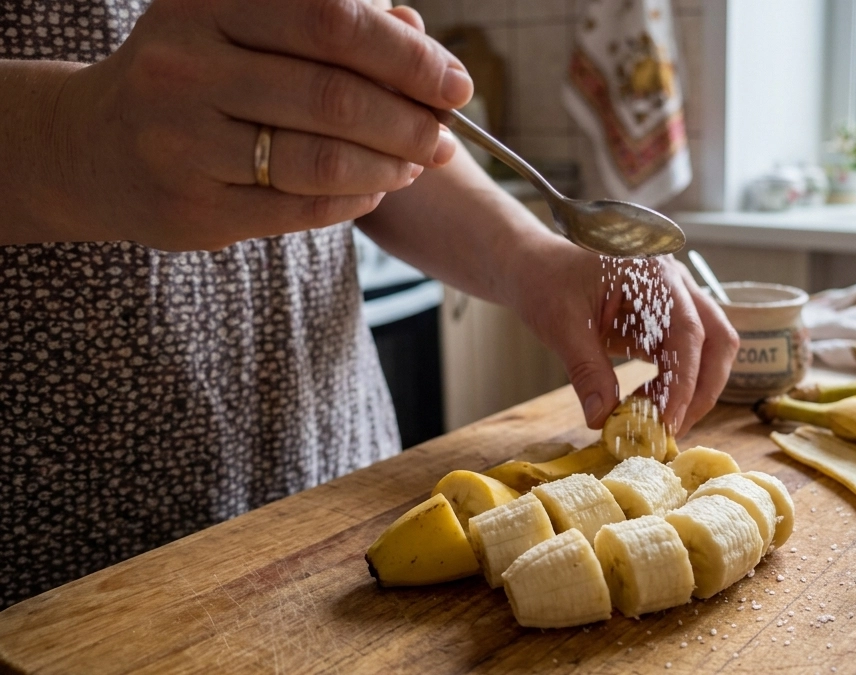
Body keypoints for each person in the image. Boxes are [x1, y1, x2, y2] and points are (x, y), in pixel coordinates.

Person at [0, 0, 738, 608]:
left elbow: (359, 128)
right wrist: (74, 136)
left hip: (338, 490)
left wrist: (531, 256)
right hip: (49, 541)